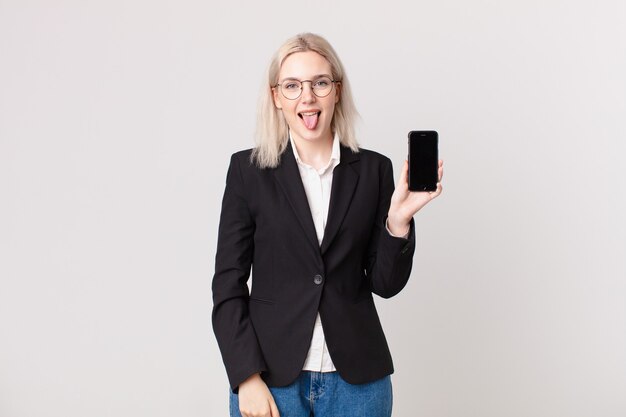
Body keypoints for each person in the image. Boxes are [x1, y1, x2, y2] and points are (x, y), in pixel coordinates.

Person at [212, 33, 443, 417]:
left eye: (320, 83)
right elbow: (227, 285)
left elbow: (385, 284)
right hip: (271, 380)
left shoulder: (373, 170)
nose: (307, 97)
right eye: (292, 86)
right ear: (276, 97)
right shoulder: (247, 171)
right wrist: (245, 378)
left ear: (336, 91)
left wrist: (398, 221)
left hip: (358, 386)